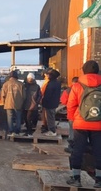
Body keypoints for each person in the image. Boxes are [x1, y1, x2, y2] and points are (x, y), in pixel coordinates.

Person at [66, 60, 101, 188]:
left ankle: (76, 178)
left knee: (78, 150)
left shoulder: (77, 85)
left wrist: (72, 119)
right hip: (98, 124)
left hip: (80, 123)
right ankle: (99, 179)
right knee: (99, 150)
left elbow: (71, 105)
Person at [1, 70, 25, 137]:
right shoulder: (21, 84)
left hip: (8, 103)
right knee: (18, 117)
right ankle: (17, 131)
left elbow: (3, 94)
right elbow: (24, 96)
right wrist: (22, 102)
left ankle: (11, 131)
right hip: (18, 104)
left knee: (10, 117)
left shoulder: (5, 84)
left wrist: (3, 102)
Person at [60, 76, 78, 153]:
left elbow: (63, 101)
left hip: (71, 114)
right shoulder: (85, 89)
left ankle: (72, 146)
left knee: (72, 130)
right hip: (83, 115)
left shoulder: (68, 90)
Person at [41, 69, 61, 136]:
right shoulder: (57, 82)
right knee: (52, 117)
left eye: (49, 74)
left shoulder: (51, 84)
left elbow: (47, 95)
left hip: (49, 103)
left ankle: (52, 131)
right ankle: (52, 130)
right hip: (54, 102)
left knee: (50, 118)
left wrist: (43, 102)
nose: (47, 75)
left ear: (52, 76)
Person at [23, 73, 42, 137]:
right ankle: (28, 131)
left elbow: (39, 95)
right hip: (27, 105)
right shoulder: (25, 86)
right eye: (29, 78)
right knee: (26, 119)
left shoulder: (35, 86)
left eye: (31, 78)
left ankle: (29, 132)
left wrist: (36, 102)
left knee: (28, 119)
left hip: (31, 105)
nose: (30, 80)